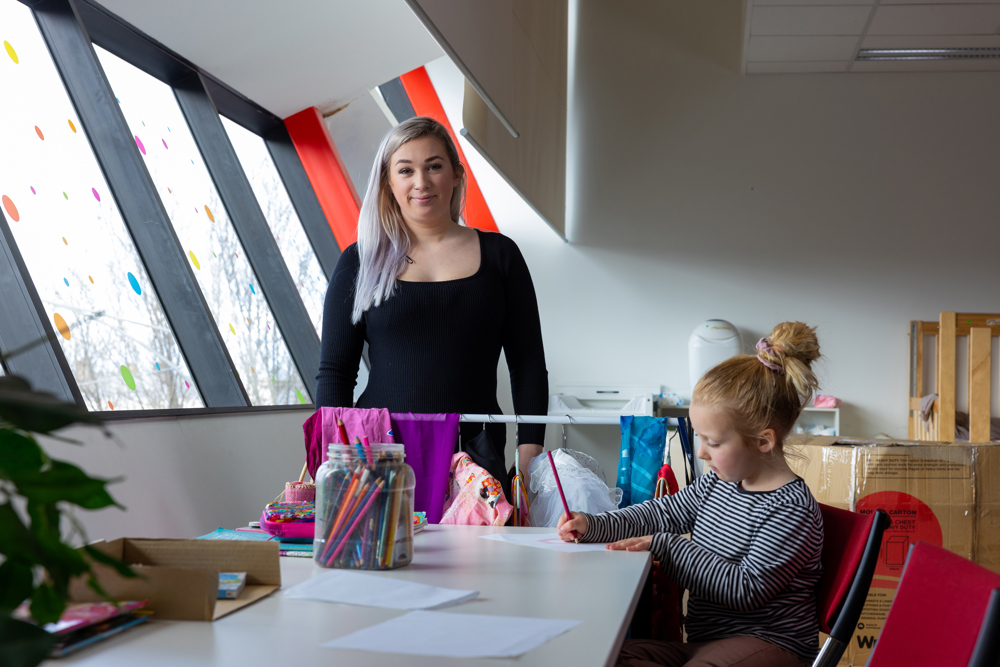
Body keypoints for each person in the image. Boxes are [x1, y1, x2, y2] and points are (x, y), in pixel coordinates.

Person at [558, 322, 825, 667]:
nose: (701, 453)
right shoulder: (718, 483)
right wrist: (593, 525)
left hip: (770, 646)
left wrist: (667, 546)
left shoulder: (791, 509)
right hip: (707, 643)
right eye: (699, 438)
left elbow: (744, 589)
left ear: (763, 441)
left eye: (713, 442)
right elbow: (661, 513)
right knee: (606, 655)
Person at [316, 116, 548, 484]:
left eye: (434, 167)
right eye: (405, 170)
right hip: (379, 454)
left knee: (481, 545)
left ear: (456, 174)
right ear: (389, 184)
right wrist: (332, 461)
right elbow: (336, 372)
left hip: (475, 453)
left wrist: (530, 455)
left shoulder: (501, 256)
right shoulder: (359, 260)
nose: (421, 183)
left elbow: (528, 363)